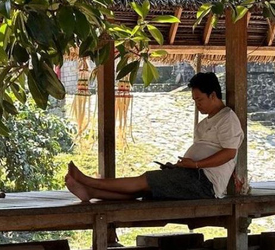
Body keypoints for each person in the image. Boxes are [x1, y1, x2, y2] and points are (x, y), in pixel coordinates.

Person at [65, 72, 245, 201]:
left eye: (199, 100)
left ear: (213, 95)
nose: (197, 104)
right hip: (191, 174)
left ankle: (89, 181)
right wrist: (180, 167)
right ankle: (91, 193)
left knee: (145, 180)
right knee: (143, 189)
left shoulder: (227, 118)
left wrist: (195, 164)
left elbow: (229, 153)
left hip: (205, 183)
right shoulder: (205, 122)